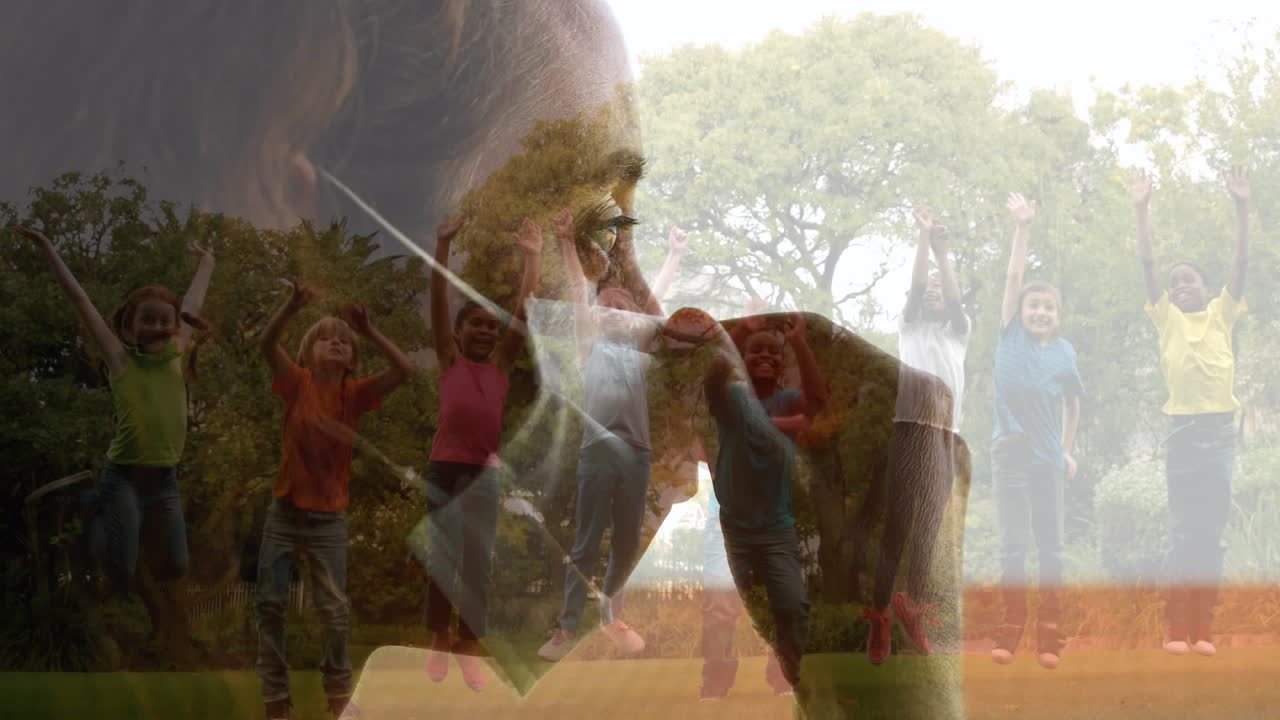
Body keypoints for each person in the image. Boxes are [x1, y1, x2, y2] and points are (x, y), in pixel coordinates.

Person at [15, 222, 213, 633]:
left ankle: (102, 509)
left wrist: (207, 263)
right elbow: (80, 300)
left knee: (176, 566)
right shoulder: (120, 360)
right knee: (120, 570)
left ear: (175, 326)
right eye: (148, 320)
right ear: (129, 328)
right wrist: (49, 248)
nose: (157, 326)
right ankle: (92, 504)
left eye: (165, 320)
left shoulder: (177, 353)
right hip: (122, 477)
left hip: (164, 480)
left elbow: (193, 301)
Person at [256, 281, 413, 719]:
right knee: (270, 603)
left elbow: (404, 368)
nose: (337, 344)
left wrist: (370, 331)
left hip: (329, 519)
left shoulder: (355, 394)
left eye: (344, 342)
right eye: (326, 338)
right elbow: (266, 344)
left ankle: (339, 696)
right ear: (307, 353)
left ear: (352, 359)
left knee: (334, 611)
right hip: (284, 511)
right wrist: (291, 306)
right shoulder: (297, 382)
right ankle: (275, 698)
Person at [537, 210, 685, 662]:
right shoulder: (590, 346)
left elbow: (654, 300)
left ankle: (612, 617)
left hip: (636, 454)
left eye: (623, 306)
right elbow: (579, 291)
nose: (614, 309)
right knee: (586, 541)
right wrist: (567, 241)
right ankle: (565, 629)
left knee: (626, 541)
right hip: (598, 452)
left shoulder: (639, 351)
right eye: (607, 306)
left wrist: (674, 255)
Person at [1130, 167, 1249, 657]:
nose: (1180, 286)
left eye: (1189, 280)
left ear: (1206, 288)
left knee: (1210, 534)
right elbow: (1148, 264)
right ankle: (1176, 626)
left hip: (1219, 434)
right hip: (1181, 434)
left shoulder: (1222, 314)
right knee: (1183, 532)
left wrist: (1241, 205)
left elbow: (1241, 260)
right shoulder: (1167, 321)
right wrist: (1141, 210)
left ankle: (1203, 628)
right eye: (1175, 282)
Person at [423, 214, 541, 691]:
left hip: (484, 475)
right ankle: (438, 637)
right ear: (457, 332)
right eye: (476, 324)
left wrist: (532, 258)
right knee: (443, 556)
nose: (487, 332)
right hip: (444, 468)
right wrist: (443, 244)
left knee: (477, 562)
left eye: (492, 327)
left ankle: (468, 645)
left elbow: (524, 311)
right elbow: (438, 298)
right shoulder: (449, 361)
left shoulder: (502, 367)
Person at [862, 207, 968, 664]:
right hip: (911, 433)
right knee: (899, 526)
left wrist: (945, 255)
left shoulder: (959, 333)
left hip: (946, 437)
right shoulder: (910, 327)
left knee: (928, 528)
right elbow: (917, 286)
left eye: (940, 291)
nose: (933, 293)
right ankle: (879, 616)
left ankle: (912, 606)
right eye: (927, 291)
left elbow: (955, 301)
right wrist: (924, 241)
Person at [703, 311, 827, 690]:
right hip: (730, 525)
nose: (766, 356)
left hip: (775, 526)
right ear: (743, 358)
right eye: (756, 350)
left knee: (791, 603)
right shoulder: (733, 399)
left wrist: (799, 341)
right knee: (720, 608)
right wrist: (742, 330)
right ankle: (716, 682)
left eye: (775, 352)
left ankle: (785, 676)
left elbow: (817, 401)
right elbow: (713, 378)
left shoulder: (788, 401)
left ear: (782, 365)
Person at [989, 193, 1084, 670]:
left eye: (1048, 307)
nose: (1040, 312)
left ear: (1057, 315)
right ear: (1021, 311)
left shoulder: (1065, 354)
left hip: (1048, 461)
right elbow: (1013, 277)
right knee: (1013, 546)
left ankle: (1050, 634)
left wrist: (1067, 451)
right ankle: (1010, 628)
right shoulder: (1010, 334)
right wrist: (1022, 227)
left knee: (1051, 547)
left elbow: (1073, 403)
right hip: (1010, 453)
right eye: (1034, 305)